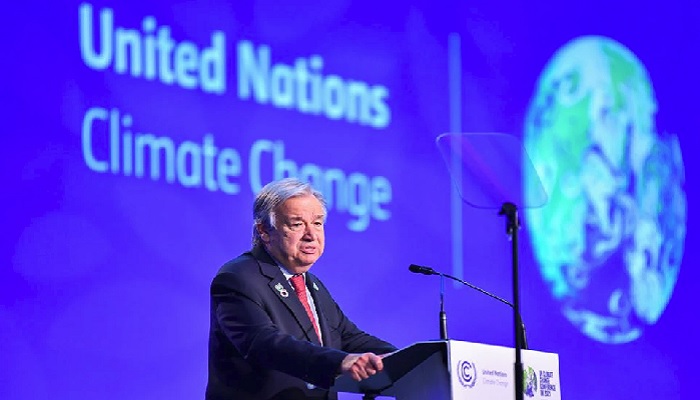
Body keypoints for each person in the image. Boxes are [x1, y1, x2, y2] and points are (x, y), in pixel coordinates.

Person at [206, 178, 397, 400]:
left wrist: (409, 358)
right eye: (297, 224)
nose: (311, 235)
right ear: (264, 231)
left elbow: (348, 337)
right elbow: (263, 342)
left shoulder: (311, 283)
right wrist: (340, 362)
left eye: (317, 223)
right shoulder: (238, 277)